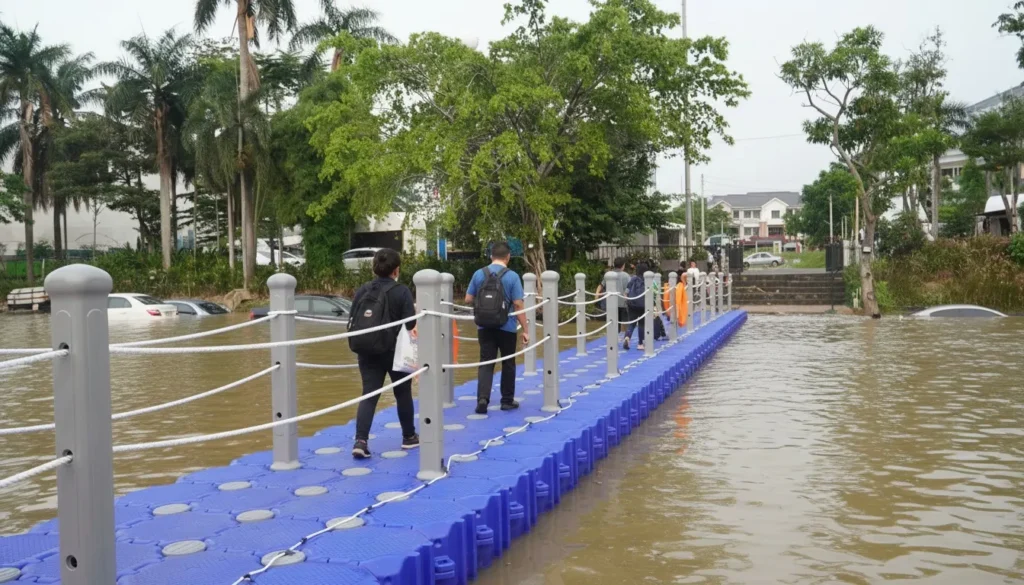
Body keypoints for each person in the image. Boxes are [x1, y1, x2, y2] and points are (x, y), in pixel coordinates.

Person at [349, 248, 418, 459]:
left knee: (369, 395)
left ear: (374, 268)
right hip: (394, 351)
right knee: (402, 393)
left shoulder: (363, 290)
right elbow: (411, 324)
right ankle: (409, 437)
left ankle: (361, 441)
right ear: (396, 270)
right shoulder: (402, 291)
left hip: (367, 349)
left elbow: (353, 319)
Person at [465, 242, 529, 414]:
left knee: (486, 362)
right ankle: (507, 401)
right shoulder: (512, 276)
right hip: (507, 326)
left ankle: (482, 399)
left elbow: (468, 299)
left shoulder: (479, 274)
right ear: (508, 257)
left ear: (491, 256)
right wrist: (525, 329)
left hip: (484, 326)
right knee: (508, 362)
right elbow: (518, 304)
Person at [595, 256, 630, 328]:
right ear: (623, 265)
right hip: (623, 303)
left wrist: (596, 296)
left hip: (611, 303)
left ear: (614, 264)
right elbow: (630, 288)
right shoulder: (626, 276)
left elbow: (600, 286)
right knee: (624, 324)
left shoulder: (608, 275)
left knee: (612, 324)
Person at [622, 262, 649, 351]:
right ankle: (640, 344)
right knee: (641, 324)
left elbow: (626, 292)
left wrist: (627, 301)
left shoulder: (633, 279)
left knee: (632, 323)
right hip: (643, 305)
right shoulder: (647, 280)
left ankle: (627, 337)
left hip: (632, 304)